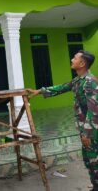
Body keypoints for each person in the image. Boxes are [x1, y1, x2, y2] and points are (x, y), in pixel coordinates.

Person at [28, 50, 98, 191]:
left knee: (94, 160)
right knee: (88, 159)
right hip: (85, 129)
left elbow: (94, 110)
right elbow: (63, 87)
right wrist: (40, 91)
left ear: (82, 63)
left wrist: (87, 133)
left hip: (91, 130)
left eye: (75, 58)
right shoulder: (79, 80)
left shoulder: (90, 82)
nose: (72, 60)